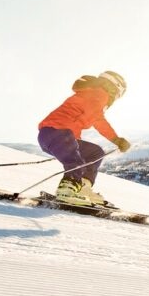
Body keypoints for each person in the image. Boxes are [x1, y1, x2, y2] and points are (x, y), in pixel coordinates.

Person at [38, 71, 131, 206]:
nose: (116, 98)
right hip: (57, 133)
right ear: (115, 87)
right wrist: (116, 140)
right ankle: (67, 189)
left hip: (57, 136)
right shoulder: (98, 94)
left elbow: (93, 117)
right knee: (77, 162)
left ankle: (82, 188)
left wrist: (116, 140)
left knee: (95, 152)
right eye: (118, 94)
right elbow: (99, 120)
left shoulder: (94, 94)